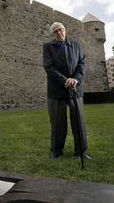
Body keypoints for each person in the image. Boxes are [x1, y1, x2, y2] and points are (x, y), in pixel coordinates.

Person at [42, 22, 91, 160]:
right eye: (55, 31)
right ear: (52, 34)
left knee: (79, 122)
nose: (59, 32)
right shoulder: (48, 47)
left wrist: (75, 79)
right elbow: (48, 67)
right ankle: (56, 151)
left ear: (65, 30)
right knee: (58, 123)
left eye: (61, 29)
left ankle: (81, 152)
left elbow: (82, 63)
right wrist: (65, 81)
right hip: (56, 90)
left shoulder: (75, 45)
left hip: (75, 88)